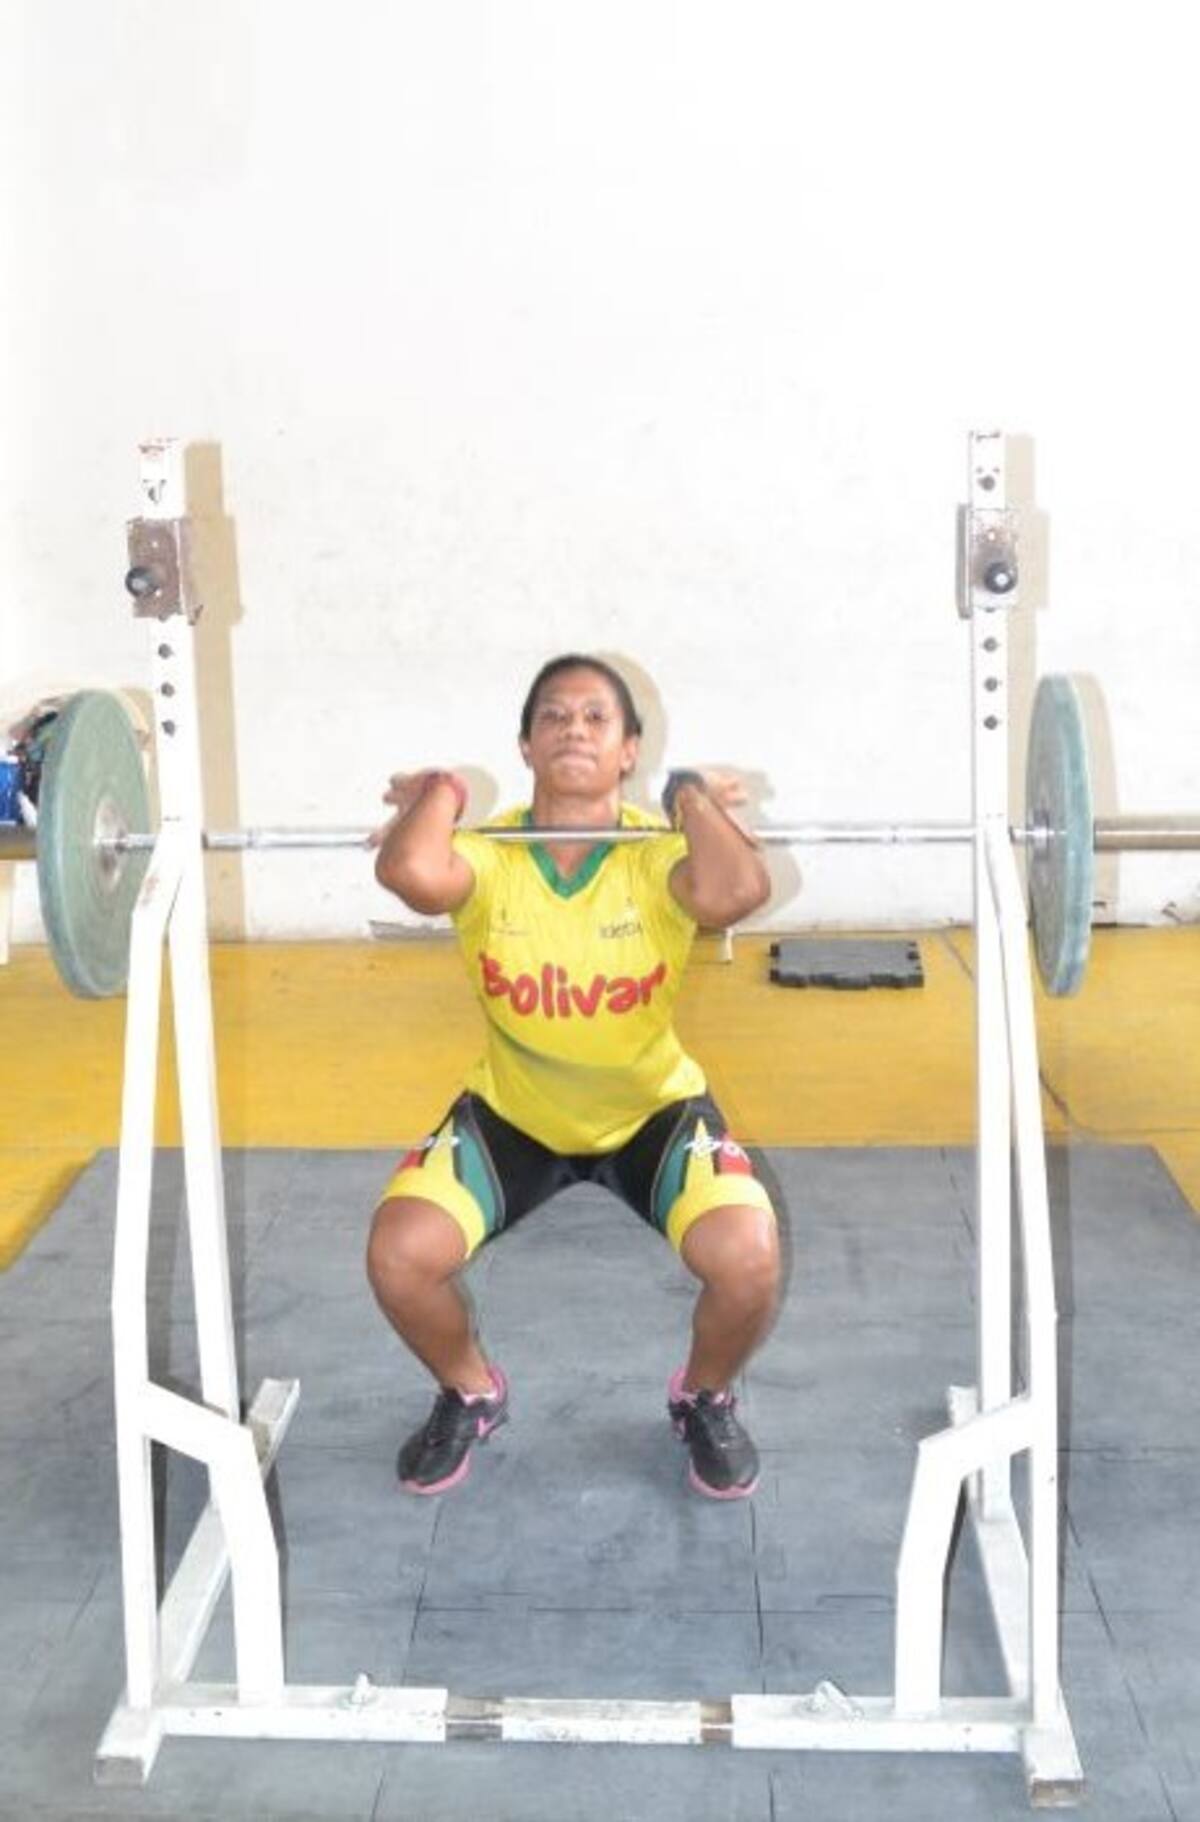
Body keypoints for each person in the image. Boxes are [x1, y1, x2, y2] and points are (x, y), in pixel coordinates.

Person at [367, 654, 780, 1500]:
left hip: (652, 1113)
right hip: (514, 1113)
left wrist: (689, 796)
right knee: (400, 1255)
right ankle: (469, 1390)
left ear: (629, 750)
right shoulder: (487, 854)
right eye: (554, 717)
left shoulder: (657, 854)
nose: (574, 730)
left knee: (749, 1258)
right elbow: (411, 874)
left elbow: (737, 889)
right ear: (525, 745)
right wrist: (439, 791)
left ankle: (702, 1397)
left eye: (597, 718)